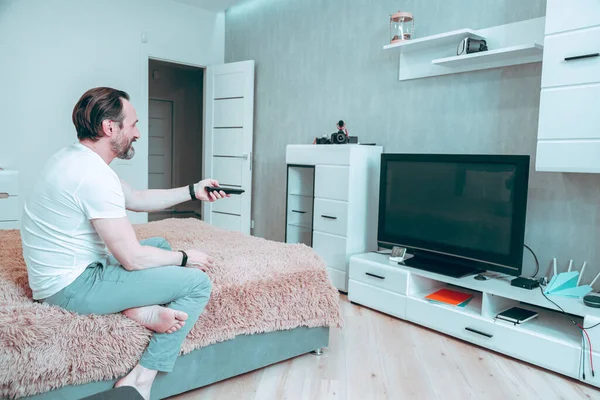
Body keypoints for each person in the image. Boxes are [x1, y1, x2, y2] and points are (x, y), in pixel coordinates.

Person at [20, 87, 229, 400]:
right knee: (196, 283)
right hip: (70, 289)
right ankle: (142, 378)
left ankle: (134, 307)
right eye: (133, 124)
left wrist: (192, 190)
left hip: (65, 276)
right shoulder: (92, 176)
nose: (138, 133)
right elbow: (131, 258)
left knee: (157, 242)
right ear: (109, 127)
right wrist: (185, 258)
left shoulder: (75, 158)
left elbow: (137, 199)